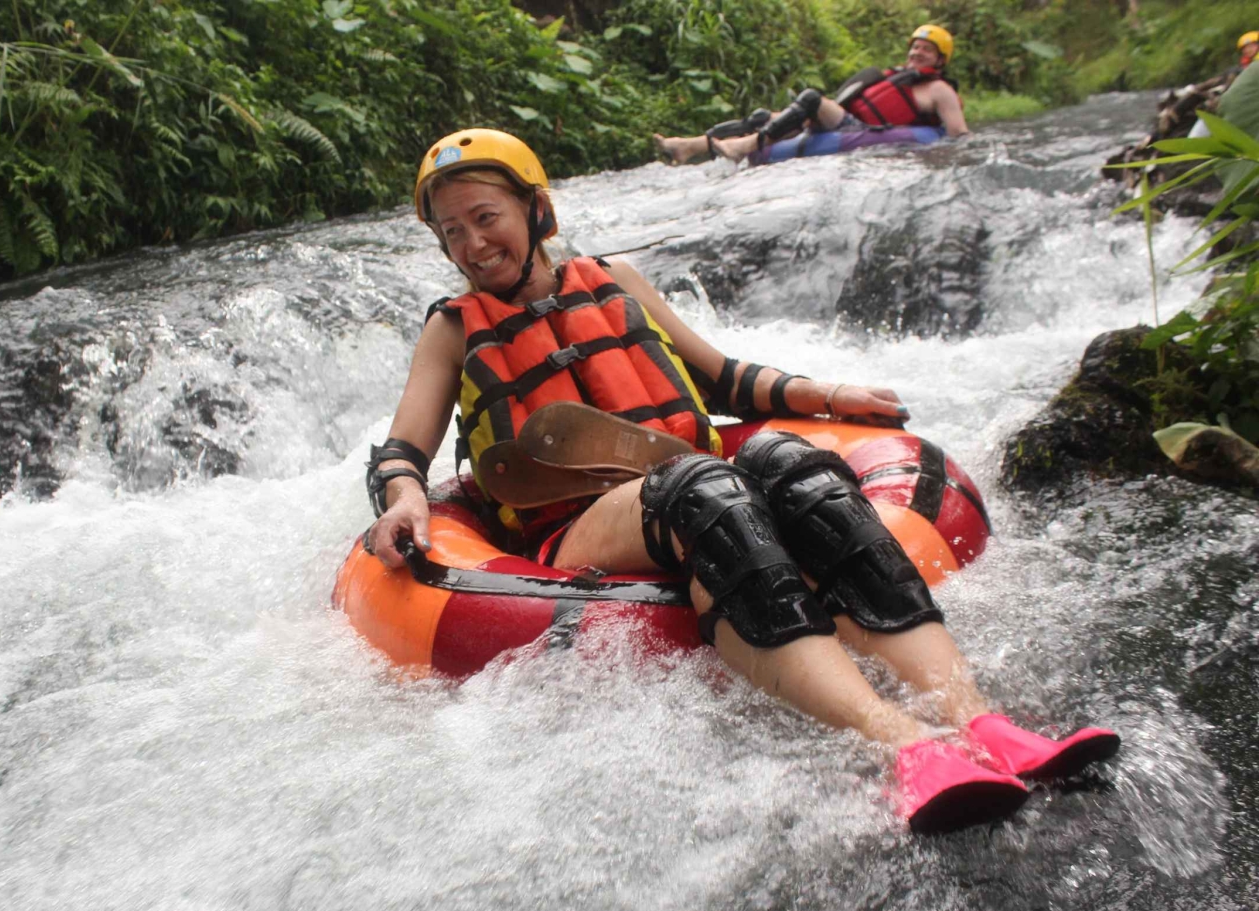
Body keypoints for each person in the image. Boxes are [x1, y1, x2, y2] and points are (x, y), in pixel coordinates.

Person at [363, 128, 1118, 834]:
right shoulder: (453, 328)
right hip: (574, 529)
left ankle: (983, 721)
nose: (471, 244)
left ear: (536, 208)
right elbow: (404, 449)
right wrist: (401, 497)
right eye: (451, 232)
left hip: (679, 479)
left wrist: (829, 395)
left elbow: (723, 380)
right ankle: (905, 745)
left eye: (484, 217)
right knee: (703, 489)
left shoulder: (615, 280)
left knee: (794, 467)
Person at [653, 25, 969, 167]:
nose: (917, 53)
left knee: (811, 98)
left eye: (927, 50)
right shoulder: (900, 77)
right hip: (850, 123)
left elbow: (958, 133)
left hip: (860, 132)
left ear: (941, 60)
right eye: (915, 47)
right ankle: (688, 146)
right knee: (764, 117)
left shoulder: (939, 90)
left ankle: (745, 147)